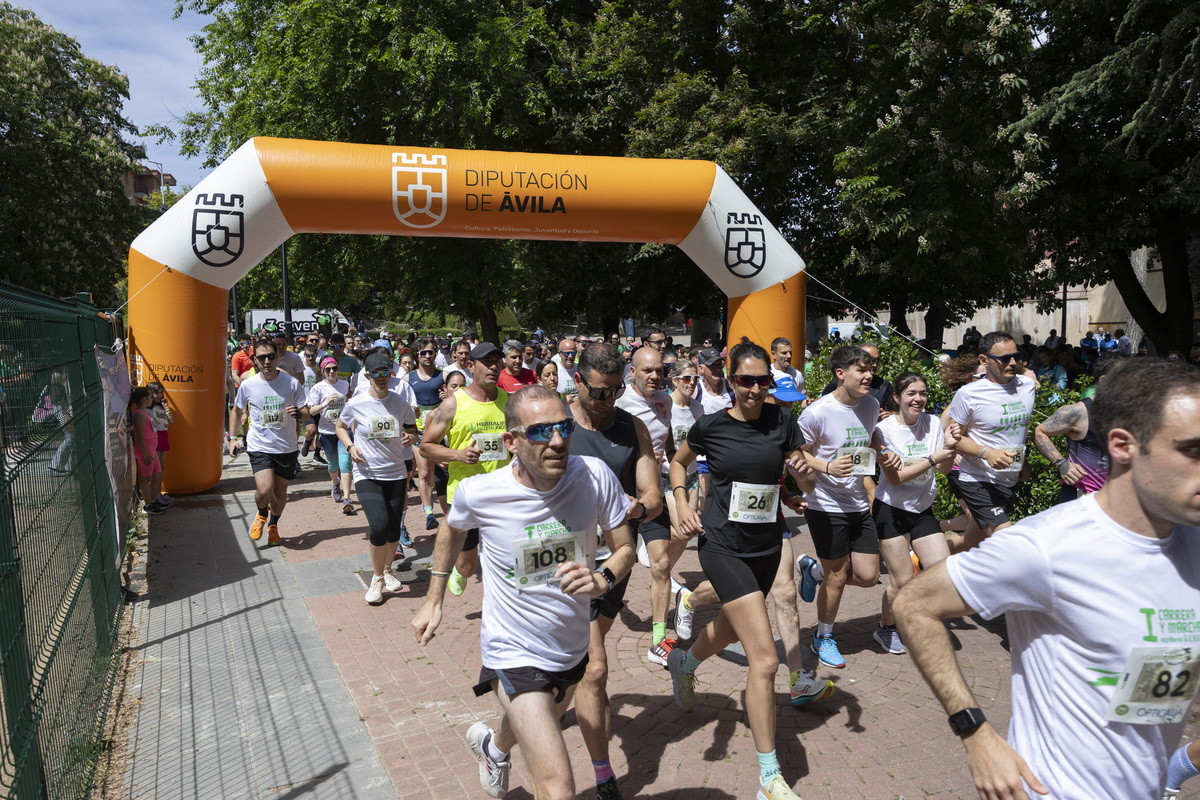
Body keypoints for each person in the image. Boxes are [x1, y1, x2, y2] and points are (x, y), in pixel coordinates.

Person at [894, 358, 1200, 800]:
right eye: (1192, 451)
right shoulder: (1046, 547)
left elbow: (1149, 690)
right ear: (1122, 446)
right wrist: (975, 732)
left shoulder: (1191, 541)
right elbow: (914, 604)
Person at [412, 385, 635, 800]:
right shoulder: (481, 492)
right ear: (511, 442)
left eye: (563, 427)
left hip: (570, 647)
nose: (556, 441)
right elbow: (452, 529)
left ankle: (492, 748)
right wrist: (433, 599)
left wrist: (603, 577)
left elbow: (625, 548)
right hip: (511, 649)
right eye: (540, 432)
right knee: (557, 784)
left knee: (536, 719)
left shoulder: (593, 475)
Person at [666, 337, 816, 800]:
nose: (754, 389)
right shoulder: (710, 426)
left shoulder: (782, 420)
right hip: (723, 544)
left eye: (762, 380)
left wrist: (799, 480)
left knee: (731, 630)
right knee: (765, 659)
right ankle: (769, 776)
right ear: (731, 382)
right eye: (746, 380)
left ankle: (684, 662)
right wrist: (680, 502)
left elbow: (798, 473)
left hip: (767, 542)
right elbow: (677, 463)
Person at [566, 343, 661, 800]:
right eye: (600, 393)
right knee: (596, 669)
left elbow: (654, 495)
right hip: (565, 560)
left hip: (616, 559)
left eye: (616, 391)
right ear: (579, 381)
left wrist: (636, 507)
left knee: (576, 669)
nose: (608, 402)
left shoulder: (633, 426)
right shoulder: (556, 424)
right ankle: (605, 775)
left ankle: (499, 741)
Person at [795, 344, 901, 669]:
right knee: (839, 577)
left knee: (869, 577)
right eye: (861, 370)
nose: (869, 375)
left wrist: (884, 451)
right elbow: (796, 452)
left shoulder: (870, 404)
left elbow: (869, 439)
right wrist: (826, 467)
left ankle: (812, 570)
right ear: (840, 374)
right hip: (824, 504)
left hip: (857, 502)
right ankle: (823, 636)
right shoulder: (817, 412)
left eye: (871, 369)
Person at [868, 372, 958, 655]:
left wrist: (950, 449)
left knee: (942, 573)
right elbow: (896, 478)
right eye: (911, 394)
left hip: (921, 509)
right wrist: (932, 458)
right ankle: (885, 627)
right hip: (890, 511)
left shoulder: (932, 424)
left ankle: (917, 616)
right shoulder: (885, 430)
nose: (918, 399)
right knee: (901, 581)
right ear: (897, 398)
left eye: (922, 393)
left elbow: (943, 469)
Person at [419, 343, 511, 596]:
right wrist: (457, 454)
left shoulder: (509, 402)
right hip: (466, 495)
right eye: (486, 361)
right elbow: (426, 446)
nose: (493, 366)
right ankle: (460, 571)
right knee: (468, 566)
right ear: (471, 366)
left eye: (497, 361)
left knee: (504, 560)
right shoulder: (452, 405)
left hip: (502, 496)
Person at [615, 345, 680, 665]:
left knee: (662, 564)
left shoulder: (666, 400)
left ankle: (659, 638)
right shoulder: (619, 403)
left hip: (653, 494)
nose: (655, 376)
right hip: (621, 497)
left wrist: (674, 462)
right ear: (633, 371)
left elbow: (666, 441)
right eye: (647, 371)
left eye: (660, 371)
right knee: (616, 567)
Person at [337, 349, 417, 604]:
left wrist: (410, 437)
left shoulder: (400, 402)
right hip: (367, 473)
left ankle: (388, 571)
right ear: (367, 375)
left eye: (385, 371)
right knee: (379, 525)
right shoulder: (356, 403)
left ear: (390, 373)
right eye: (376, 373)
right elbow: (340, 427)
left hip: (395, 472)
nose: (381, 377)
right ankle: (376, 577)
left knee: (394, 528)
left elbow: (413, 430)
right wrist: (350, 446)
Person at [944, 331, 1036, 552]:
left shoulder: (1027, 386)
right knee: (1009, 544)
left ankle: (923, 557)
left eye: (1016, 356)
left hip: (1009, 479)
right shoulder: (969, 394)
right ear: (984, 360)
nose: (1012, 363)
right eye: (1004, 358)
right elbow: (954, 438)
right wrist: (987, 453)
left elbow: (1017, 431)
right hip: (977, 480)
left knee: (972, 544)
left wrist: (1023, 461)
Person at [228, 338, 310, 545]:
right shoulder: (248, 385)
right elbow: (236, 411)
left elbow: (307, 413)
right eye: (262, 357)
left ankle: (273, 524)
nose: (266, 361)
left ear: (277, 357)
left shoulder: (291, 382)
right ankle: (262, 514)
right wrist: (233, 438)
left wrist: (299, 413)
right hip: (260, 446)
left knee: (280, 492)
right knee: (265, 490)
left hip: (287, 446)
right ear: (254, 360)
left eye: (271, 356)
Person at [407, 337, 448, 531]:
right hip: (419, 431)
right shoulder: (409, 378)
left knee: (442, 473)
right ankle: (429, 513)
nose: (427, 356)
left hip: (441, 431)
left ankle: (448, 511)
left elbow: (457, 398)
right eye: (423, 353)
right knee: (423, 472)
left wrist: (448, 398)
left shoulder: (444, 375)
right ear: (416, 356)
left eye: (430, 352)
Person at [309, 356, 355, 514]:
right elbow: (311, 410)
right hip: (327, 432)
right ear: (323, 371)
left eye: (334, 368)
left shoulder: (344, 384)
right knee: (333, 466)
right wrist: (326, 403)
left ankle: (347, 498)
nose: (331, 372)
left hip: (344, 430)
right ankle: (335, 483)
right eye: (327, 369)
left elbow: (349, 403)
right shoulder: (318, 388)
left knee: (345, 463)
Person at [130, 387, 166, 515]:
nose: (152, 399)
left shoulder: (143, 413)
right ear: (145, 399)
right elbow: (140, 436)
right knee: (146, 478)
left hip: (151, 450)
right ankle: (148, 505)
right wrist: (145, 453)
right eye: (150, 397)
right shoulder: (139, 414)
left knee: (156, 474)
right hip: (146, 451)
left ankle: (152, 500)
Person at [146, 381, 175, 505]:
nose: (160, 396)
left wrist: (166, 408)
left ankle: (158, 495)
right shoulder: (146, 408)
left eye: (161, 393)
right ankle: (153, 498)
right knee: (155, 471)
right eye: (157, 393)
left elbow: (171, 421)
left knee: (161, 468)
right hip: (155, 436)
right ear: (150, 393)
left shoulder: (161, 407)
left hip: (164, 435)